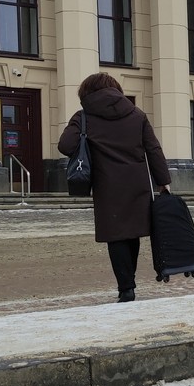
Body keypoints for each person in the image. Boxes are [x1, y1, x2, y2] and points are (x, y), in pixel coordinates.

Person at [58, 72, 171, 302]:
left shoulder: (84, 116)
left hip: (107, 186)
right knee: (133, 233)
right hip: (138, 183)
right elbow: (154, 149)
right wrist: (163, 181)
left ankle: (126, 288)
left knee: (117, 236)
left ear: (86, 92)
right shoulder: (137, 114)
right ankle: (129, 284)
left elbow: (65, 146)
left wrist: (82, 133)